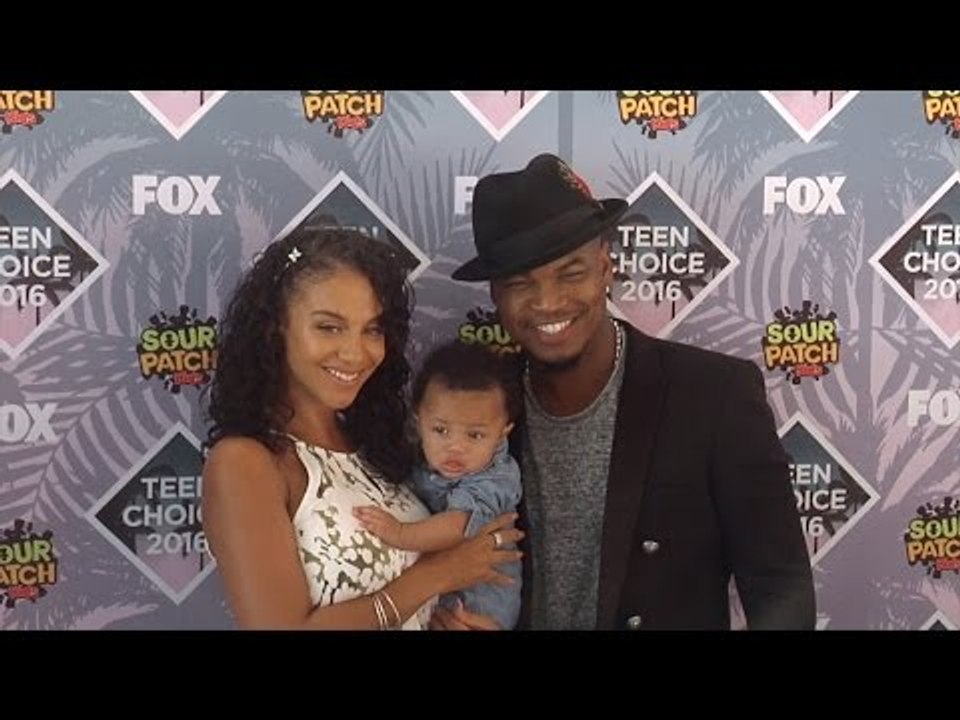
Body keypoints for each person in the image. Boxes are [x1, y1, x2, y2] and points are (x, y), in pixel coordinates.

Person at [437, 153, 815, 630]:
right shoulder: (478, 412)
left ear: (605, 267)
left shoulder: (716, 395)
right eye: (520, 283)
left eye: (570, 272)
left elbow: (782, 587)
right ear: (495, 295)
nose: (548, 301)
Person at [201, 227, 522, 630]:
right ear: (276, 326)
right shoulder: (244, 462)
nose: (355, 352)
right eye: (328, 327)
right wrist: (437, 575)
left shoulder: (377, 445)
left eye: (372, 329)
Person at [354, 341, 523, 629]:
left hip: (477, 608)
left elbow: (458, 526)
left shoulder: (498, 477)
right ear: (419, 422)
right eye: (441, 430)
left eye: (475, 435)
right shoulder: (418, 458)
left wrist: (400, 533)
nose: (455, 447)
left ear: (503, 432)